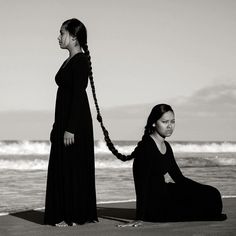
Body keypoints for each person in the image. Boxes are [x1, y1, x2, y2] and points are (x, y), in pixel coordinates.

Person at [108, 104, 226, 225]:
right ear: (154, 123)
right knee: (201, 209)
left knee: (212, 194)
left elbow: (179, 178)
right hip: (155, 208)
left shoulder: (166, 146)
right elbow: (141, 185)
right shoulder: (146, 148)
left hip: (166, 193)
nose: (169, 126)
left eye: (172, 122)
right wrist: (139, 217)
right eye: (165, 122)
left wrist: (204, 189)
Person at [44, 18, 98, 226]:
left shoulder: (80, 61)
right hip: (65, 122)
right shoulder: (69, 60)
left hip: (74, 124)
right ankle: (68, 213)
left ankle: (73, 216)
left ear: (74, 37)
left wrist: (70, 128)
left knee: (71, 168)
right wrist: (57, 126)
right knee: (63, 167)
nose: (58, 37)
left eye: (62, 33)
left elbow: (77, 95)